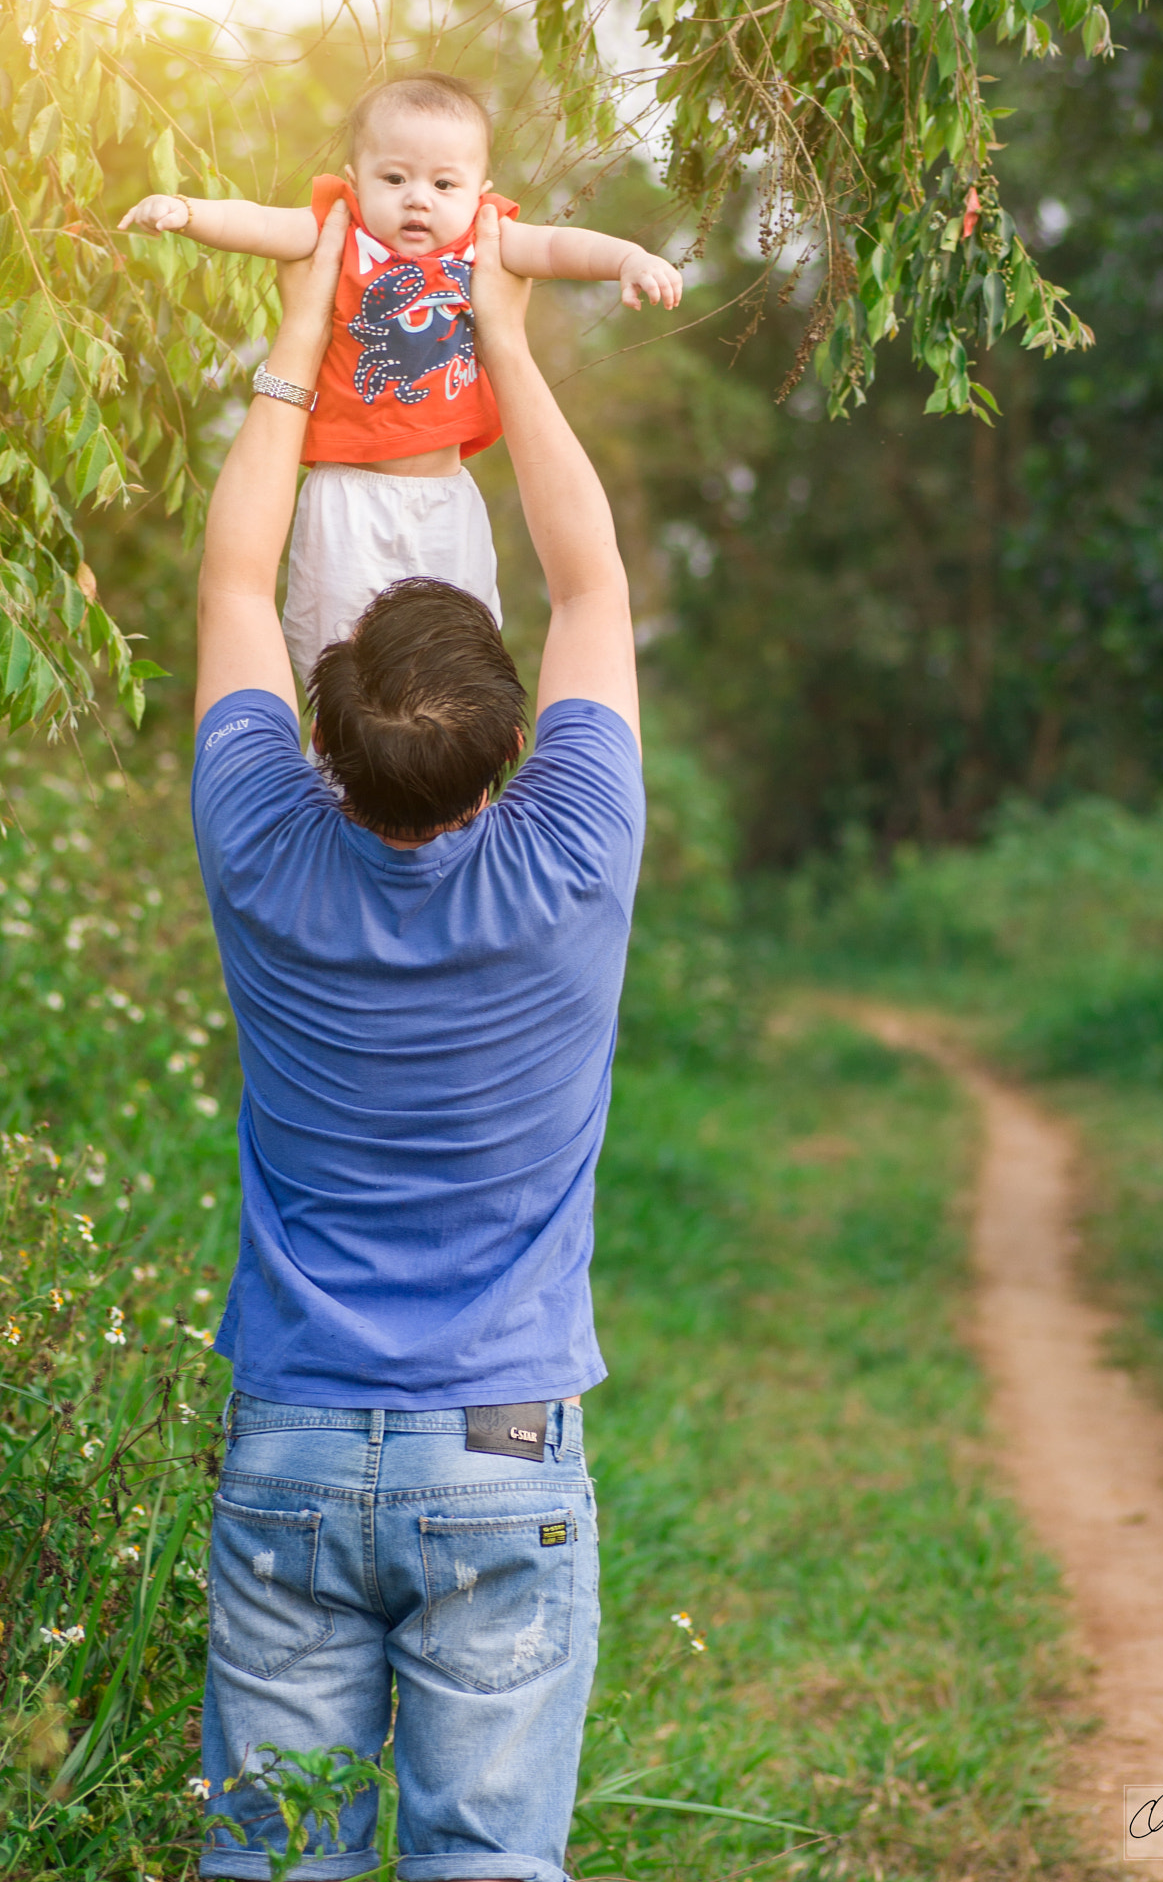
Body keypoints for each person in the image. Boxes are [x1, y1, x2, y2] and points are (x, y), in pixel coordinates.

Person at [190, 193, 643, 1882]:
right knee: (488, 1863)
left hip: (296, 1436)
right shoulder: (574, 854)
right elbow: (590, 571)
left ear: (323, 711)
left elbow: (242, 568)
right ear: (516, 736)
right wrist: (503, 332)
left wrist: (309, 324)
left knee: (275, 1862)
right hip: (506, 1443)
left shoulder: (263, 844)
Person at [121, 70, 680, 685]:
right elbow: (258, 225)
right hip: (347, 495)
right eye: (395, 179)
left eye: (444, 183)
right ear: (357, 180)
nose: (419, 198)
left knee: (454, 669)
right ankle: (335, 767)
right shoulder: (340, 227)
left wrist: (629, 258)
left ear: (478, 191)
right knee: (336, 663)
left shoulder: (482, 240)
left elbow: (555, 249)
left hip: (445, 498)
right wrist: (188, 211)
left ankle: (451, 769)